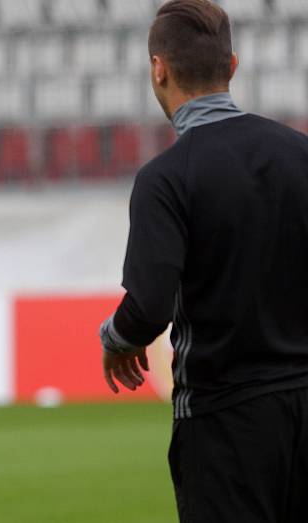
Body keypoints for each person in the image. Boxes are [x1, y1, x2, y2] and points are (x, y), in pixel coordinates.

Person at [98, 1, 308, 521]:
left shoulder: (166, 178)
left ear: (158, 68)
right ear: (232, 66)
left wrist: (116, 338)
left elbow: (149, 306)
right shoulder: (299, 153)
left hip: (225, 419)